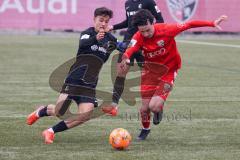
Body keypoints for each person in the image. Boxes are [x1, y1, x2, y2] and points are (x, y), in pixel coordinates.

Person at [120, 9, 227, 140]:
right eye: (142, 31)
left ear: (153, 21)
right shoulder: (138, 36)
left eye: (148, 30)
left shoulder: (167, 29)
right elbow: (131, 49)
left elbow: (189, 24)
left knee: (154, 106)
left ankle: (158, 109)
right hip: (150, 72)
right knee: (144, 109)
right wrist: (125, 57)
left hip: (169, 70)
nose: (146, 34)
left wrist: (212, 23)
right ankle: (145, 130)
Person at [26, 7, 117, 144]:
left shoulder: (112, 39)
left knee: (85, 115)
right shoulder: (87, 33)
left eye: (106, 21)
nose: (103, 23)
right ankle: (41, 111)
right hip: (74, 79)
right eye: (100, 20)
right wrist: (96, 38)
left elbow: (106, 56)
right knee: (60, 112)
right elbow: (83, 43)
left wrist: (110, 43)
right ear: (94, 20)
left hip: (90, 84)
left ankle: (50, 131)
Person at [104, 0, 165, 124]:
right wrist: (113, 27)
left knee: (150, 76)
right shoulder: (128, 3)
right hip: (129, 43)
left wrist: (149, 33)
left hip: (144, 43)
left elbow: (160, 20)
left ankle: (157, 108)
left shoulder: (148, 2)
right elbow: (129, 22)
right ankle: (113, 106)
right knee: (120, 72)